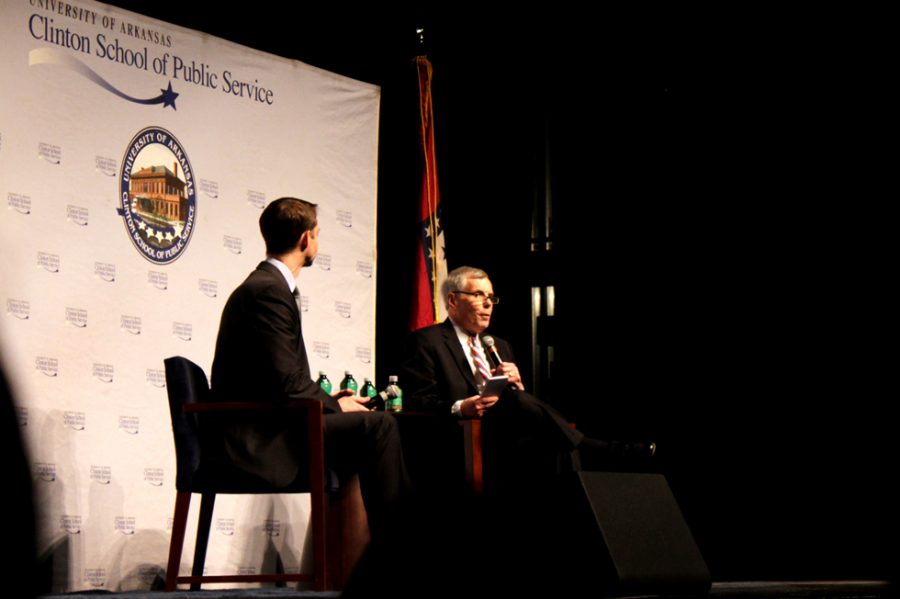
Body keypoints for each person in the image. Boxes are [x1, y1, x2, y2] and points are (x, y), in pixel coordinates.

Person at [210, 197, 408, 536]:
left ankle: (357, 562)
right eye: (317, 234)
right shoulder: (268, 292)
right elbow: (288, 384)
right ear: (306, 240)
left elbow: (279, 376)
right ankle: (396, 551)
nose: (317, 241)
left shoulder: (266, 287)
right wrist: (334, 405)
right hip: (260, 438)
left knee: (365, 427)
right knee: (380, 426)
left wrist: (334, 404)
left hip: (270, 424)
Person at [400, 266, 654, 489]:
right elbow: (416, 401)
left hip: (512, 435)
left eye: (491, 297)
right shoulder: (427, 341)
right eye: (478, 295)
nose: (489, 303)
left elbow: (521, 404)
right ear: (453, 300)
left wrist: (518, 386)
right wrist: (461, 407)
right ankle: (591, 446)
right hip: (463, 438)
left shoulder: (499, 345)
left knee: (555, 441)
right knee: (551, 431)